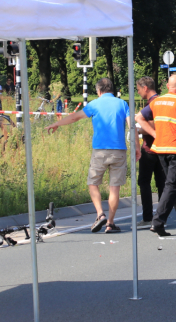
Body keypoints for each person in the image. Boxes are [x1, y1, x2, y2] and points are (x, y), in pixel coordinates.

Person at [46, 78, 136, 234]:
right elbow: (132, 126)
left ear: (99, 91)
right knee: (115, 188)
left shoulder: (95, 104)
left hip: (100, 151)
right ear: (111, 90)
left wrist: (56, 124)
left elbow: (75, 117)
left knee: (93, 182)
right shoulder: (123, 104)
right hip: (119, 151)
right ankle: (110, 223)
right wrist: (137, 147)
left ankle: (100, 213)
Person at [137, 74, 176, 236]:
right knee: (171, 185)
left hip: (161, 149)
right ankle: (158, 221)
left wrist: (154, 133)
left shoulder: (157, 101)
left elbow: (139, 117)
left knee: (174, 185)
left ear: (167, 86)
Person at [134, 76, 166, 228]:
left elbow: (154, 124)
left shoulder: (153, 104)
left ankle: (148, 217)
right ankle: (161, 217)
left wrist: (139, 129)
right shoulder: (162, 101)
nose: (139, 92)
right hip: (163, 148)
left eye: (139, 89)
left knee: (144, 182)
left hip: (150, 148)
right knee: (161, 183)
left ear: (145, 88)